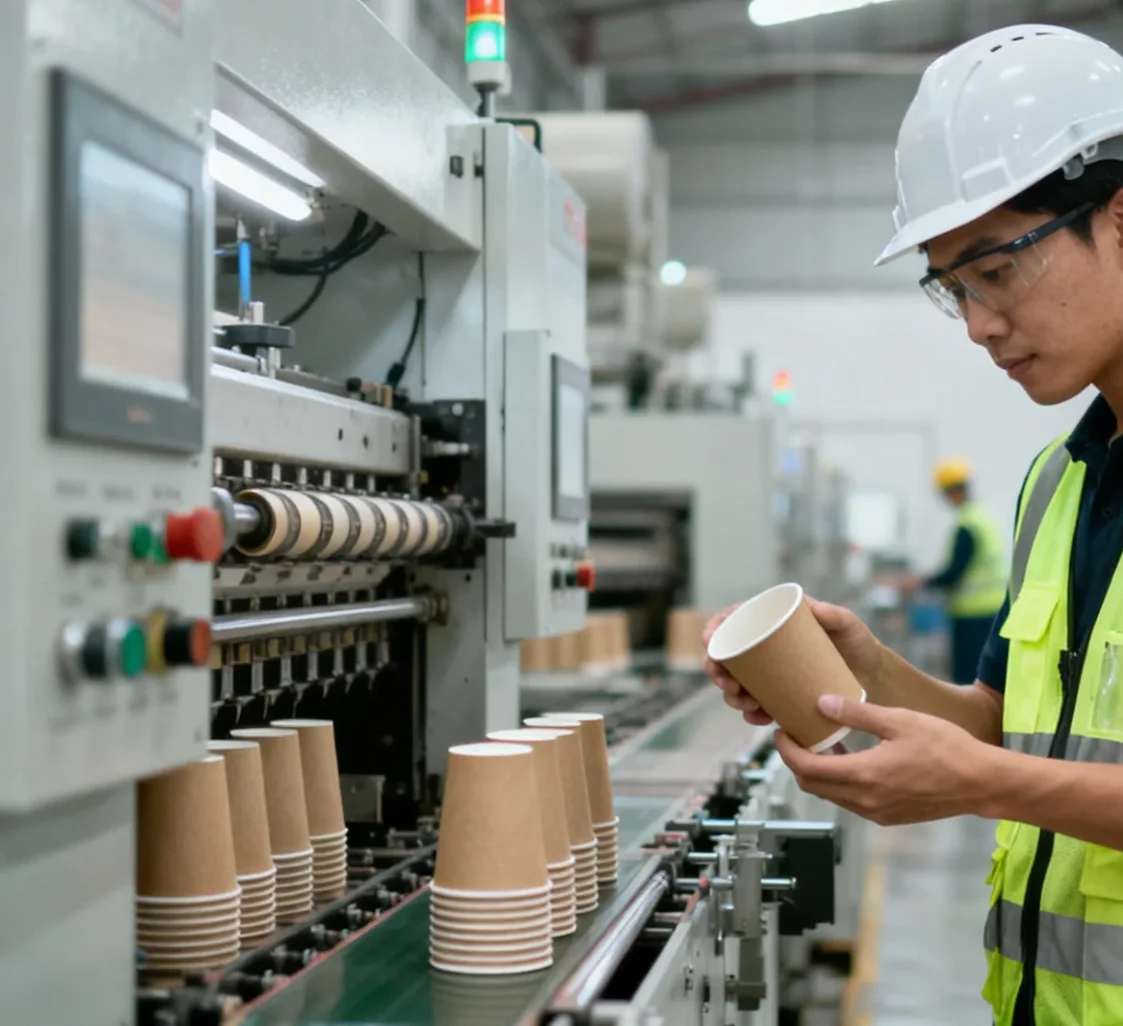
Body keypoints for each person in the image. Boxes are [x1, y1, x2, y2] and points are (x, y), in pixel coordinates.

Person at [703, 25, 1123, 1026]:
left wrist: (983, 786)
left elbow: (1001, 766)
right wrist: (866, 672)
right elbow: (1008, 726)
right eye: (951, 289)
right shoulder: (1055, 485)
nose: (977, 323)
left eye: (995, 268)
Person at [911, 459, 1007, 684]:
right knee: (985, 677)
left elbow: (955, 572)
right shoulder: (983, 517)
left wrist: (922, 583)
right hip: (993, 609)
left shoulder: (967, 524)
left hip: (973, 614)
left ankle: (966, 721)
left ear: (951, 491)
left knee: (968, 678)